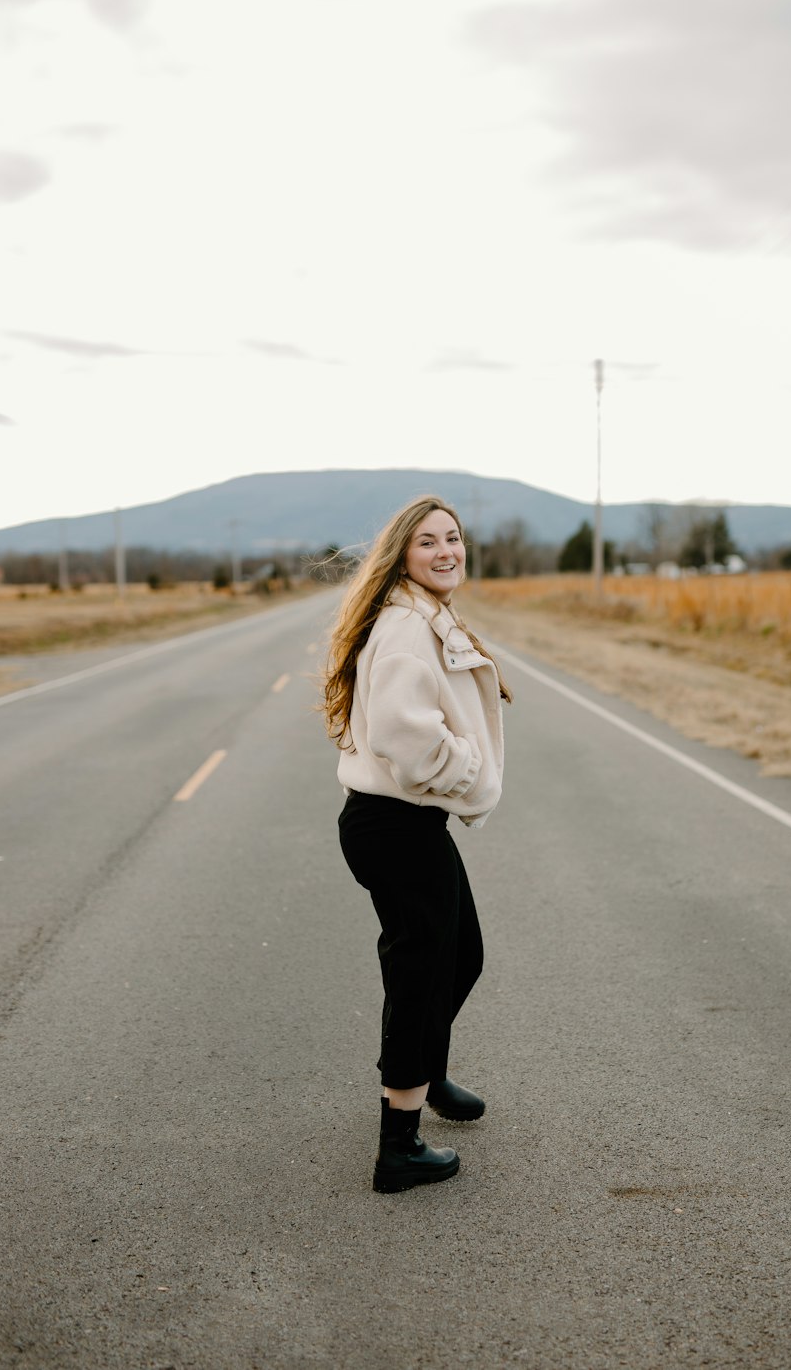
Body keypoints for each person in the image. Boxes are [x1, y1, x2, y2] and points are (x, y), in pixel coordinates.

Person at [324, 495, 512, 1193]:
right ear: (402, 554)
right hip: (393, 824)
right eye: (428, 541)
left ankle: (424, 1074)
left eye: (454, 539)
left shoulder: (420, 613)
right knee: (423, 971)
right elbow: (404, 736)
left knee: (460, 955)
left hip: (399, 823)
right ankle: (397, 1148)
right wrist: (468, 772)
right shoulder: (407, 628)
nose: (446, 551)